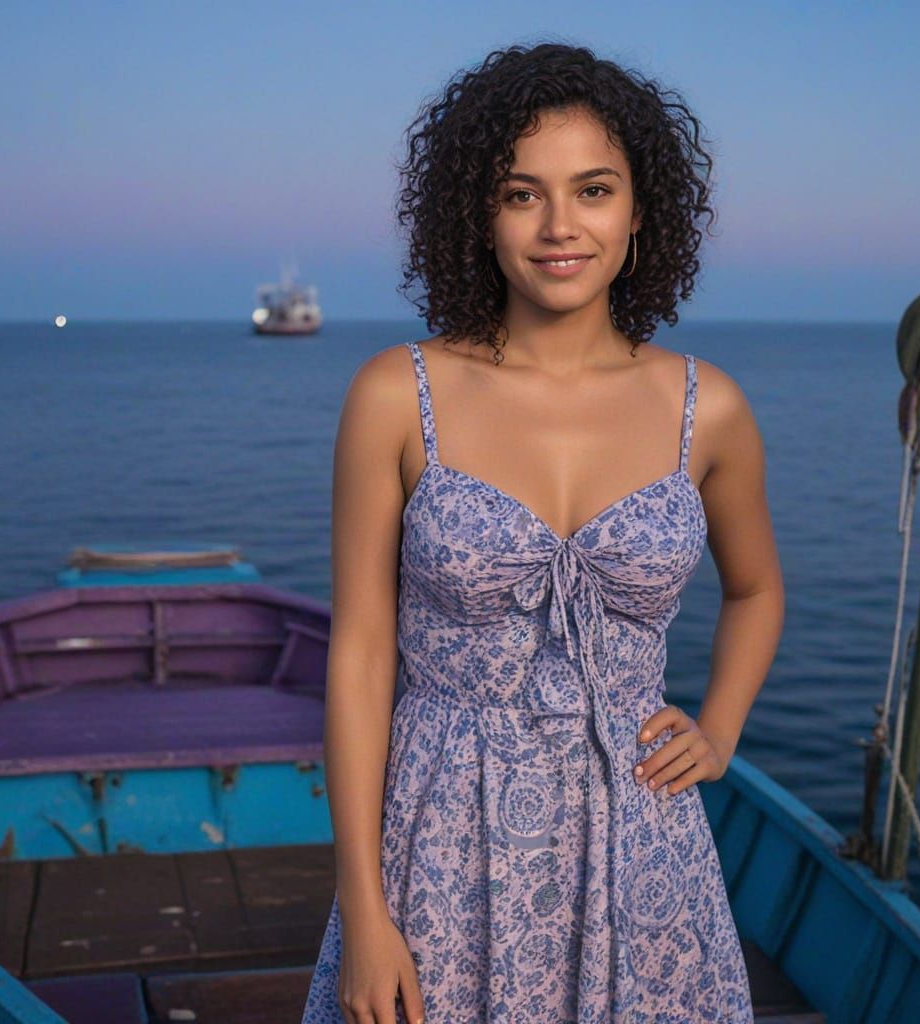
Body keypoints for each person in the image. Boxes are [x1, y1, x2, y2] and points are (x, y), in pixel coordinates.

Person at [301, 41, 784, 1024]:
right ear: (477, 215)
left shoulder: (710, 408)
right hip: (444, 828)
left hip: (641, 835)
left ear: (640, 209)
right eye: (522, 194)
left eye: (593, 190)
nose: (561, 225)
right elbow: (357, 652)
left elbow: (756, 588)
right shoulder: (398, 394)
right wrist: (364, 906)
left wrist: (720, 728)